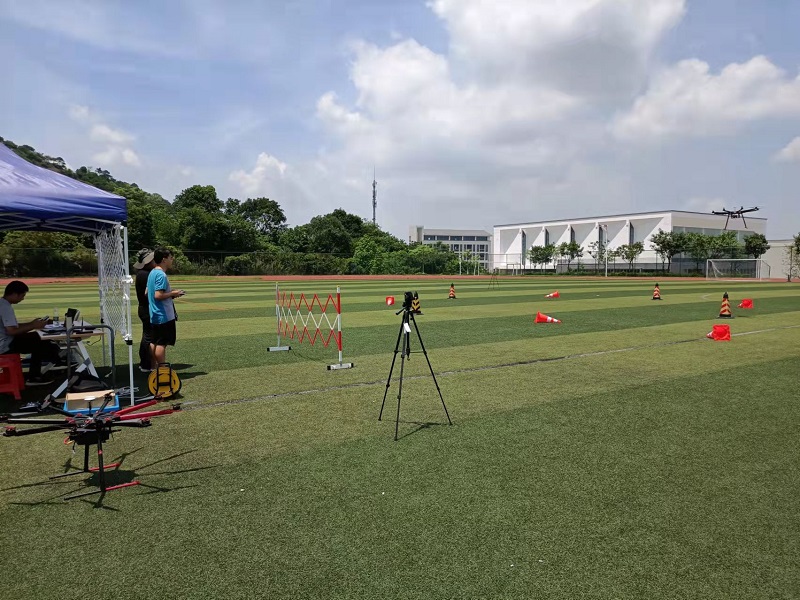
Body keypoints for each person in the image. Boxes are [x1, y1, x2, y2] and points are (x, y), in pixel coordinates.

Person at [0, 280, 62, 385]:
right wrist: (33, 326)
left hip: (6, 341)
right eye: (22, 296)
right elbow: (12, 331)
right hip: (5, 345)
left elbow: (14, 327)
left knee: (37, 337)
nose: (22, 299)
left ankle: (55, 361)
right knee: (40, 342)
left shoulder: (3, 303)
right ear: (15, 294)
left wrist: (32, 324)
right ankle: (37, 375)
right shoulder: (5, 307)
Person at [146, 248, 185, 366]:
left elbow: (147, 292)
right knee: (161, 343)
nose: (172, 260)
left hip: (154, 313)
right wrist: (173, 293)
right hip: (163, 315)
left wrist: (169, 295)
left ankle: (153, 367)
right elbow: (158, 295)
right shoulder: (161, 275)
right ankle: (162, 369)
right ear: (164, 260)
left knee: (154, 341)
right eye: (170, 258)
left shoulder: (152, 273)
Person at [133, 248, 156, 372]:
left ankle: (145, 363)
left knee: (147, 336)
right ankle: (146, 364)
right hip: (147, 309)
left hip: (144, 308)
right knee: (149, 337)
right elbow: (151, 293)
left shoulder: (142, 273)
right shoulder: (145, 274)